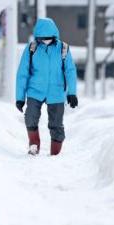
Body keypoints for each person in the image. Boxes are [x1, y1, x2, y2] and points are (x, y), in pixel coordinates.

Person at [15, 18, 78, 156]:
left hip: (56, 92)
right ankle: (34, 144)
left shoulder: (63, 48)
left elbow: (70, 71)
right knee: (30, 117)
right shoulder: (32, 48)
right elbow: (22, 73)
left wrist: (72, 93)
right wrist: (20, 97)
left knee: (56, 124)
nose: (45, 40)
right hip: (35, 90)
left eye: (48, 38)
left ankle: (55, 153)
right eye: (42, 38)